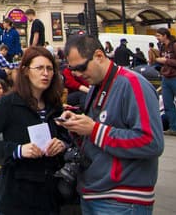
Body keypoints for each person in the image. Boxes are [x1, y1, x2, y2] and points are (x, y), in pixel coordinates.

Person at [60, 34, 164, 213]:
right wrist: (78, 127)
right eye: (73, 70)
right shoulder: (96, 86)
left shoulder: (133, 84)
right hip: (95, 192)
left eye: (81, 67)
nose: (78, 75)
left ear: (99, 56)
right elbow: (99, 129)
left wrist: (94, 130)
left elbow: (151, 141)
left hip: (122, 198)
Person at [0, 46, 69, 215]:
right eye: (39, 68)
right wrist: (18, 150)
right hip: (17, 196)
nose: (45, 73)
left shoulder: (54, 105)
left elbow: (66, 137)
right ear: (25, 71)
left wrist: (62, 144)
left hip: (49, 195)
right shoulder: (9, 103)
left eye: (49, 68)